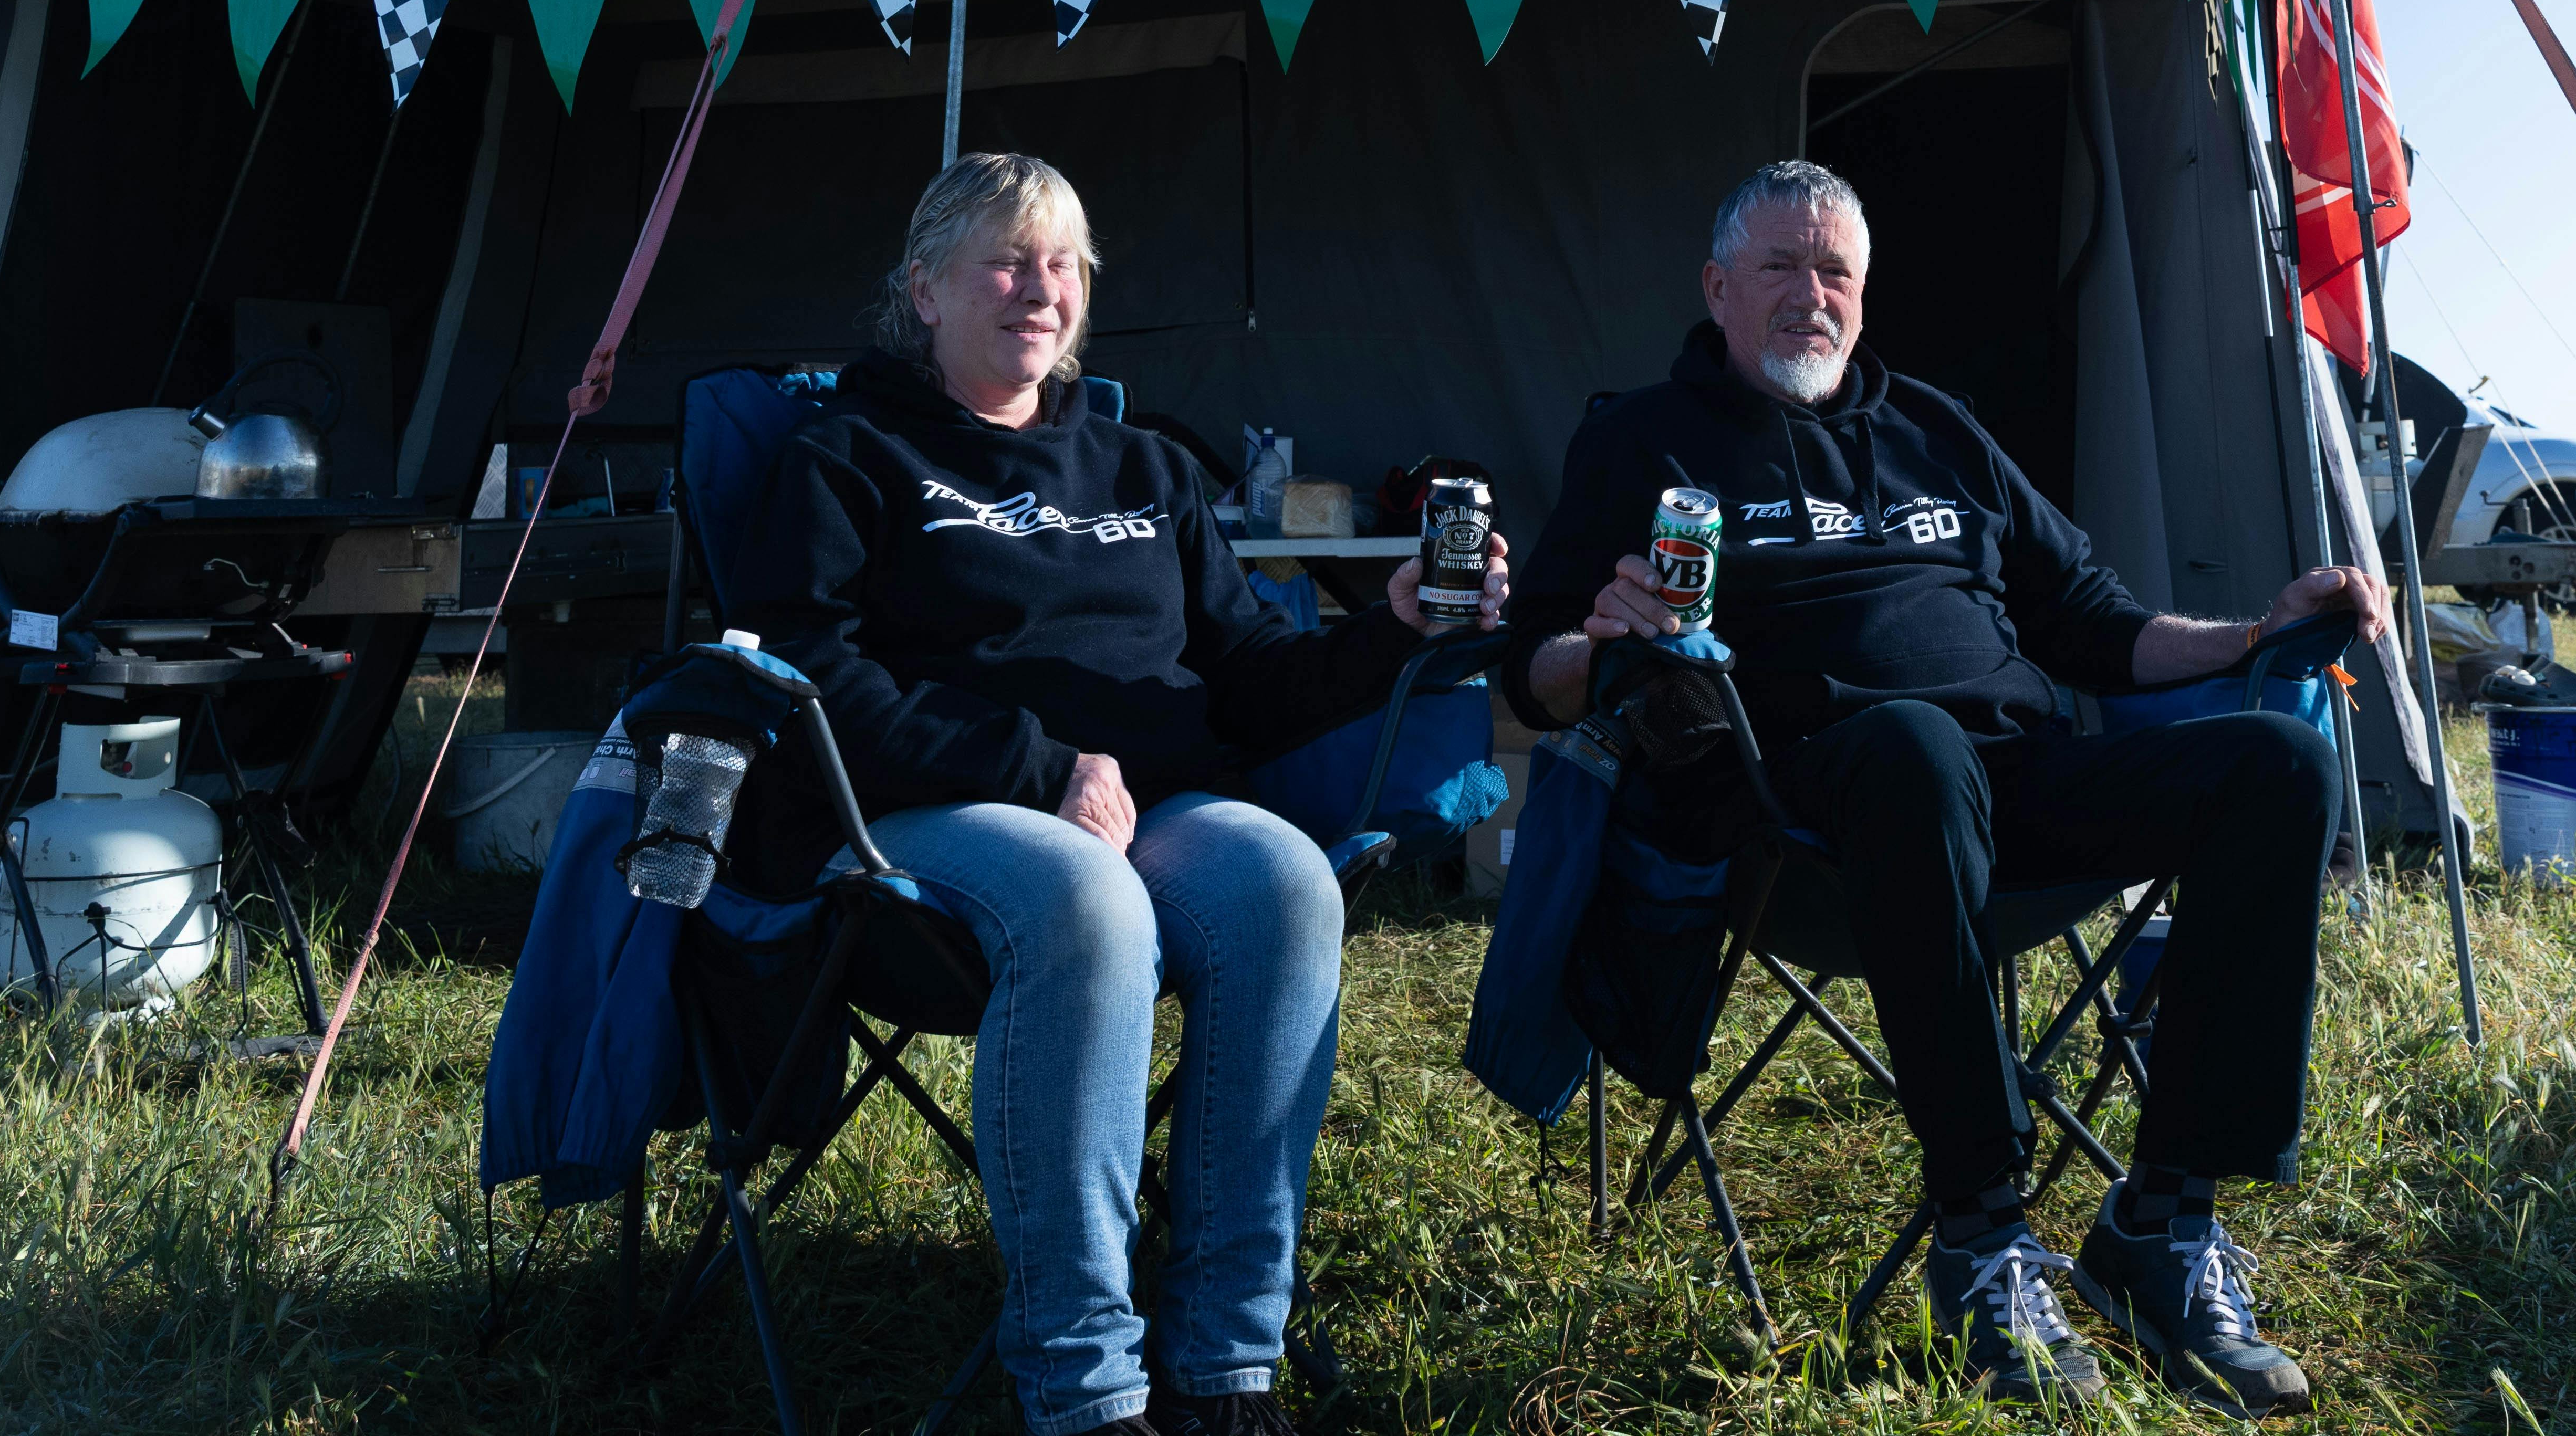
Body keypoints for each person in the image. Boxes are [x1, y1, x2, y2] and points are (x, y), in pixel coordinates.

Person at [1499, 159, 2383, 1416]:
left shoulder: (1937, 426)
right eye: (1778, 266)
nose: (1809, 294)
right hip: (1802, 821)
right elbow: (1533, 671)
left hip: (2012, 780)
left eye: (1834, 271)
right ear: (1716, 287)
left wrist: (2253, 633)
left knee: (2278, 763)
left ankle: (2162, 1223)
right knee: (1911, 744)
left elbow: (2094, 622)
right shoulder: (1643, 442)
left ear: (1863, 294)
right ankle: (1980, 1238)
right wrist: (1600, 636)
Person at [719, 153, 1507, 1436]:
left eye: (1064, 263)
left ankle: (1228, 1359)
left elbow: (1250, 675)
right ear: (924, 289)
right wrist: (1040, 767)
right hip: (918, 824)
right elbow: (807, 674)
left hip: (1150, 809)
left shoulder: (1145, 467)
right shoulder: (848, 455)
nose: (1040, 288)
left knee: (1283, 882)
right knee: (1087, 897)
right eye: (1005, 261)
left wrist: (1395, 625)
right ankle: (1082, 1381)